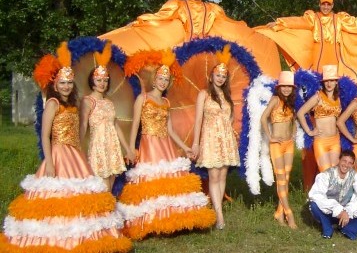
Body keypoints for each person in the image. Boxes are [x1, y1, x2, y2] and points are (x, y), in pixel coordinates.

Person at [1, 43, 132, 252]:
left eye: (69, 83)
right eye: (62, 83)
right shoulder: (52, 103)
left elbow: (78, 129)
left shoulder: (71, 104)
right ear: (56, 83)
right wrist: (50, 163)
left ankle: (82, 237)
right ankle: (58, 239)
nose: (66, 86)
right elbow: (45, 135)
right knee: (58, 196)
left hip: (74, 154)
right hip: (59, 155)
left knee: (80, 195)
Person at [117, 50, 215, 240]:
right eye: (160, 78)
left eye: (166, 79)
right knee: (153, 181)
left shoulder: (166, 101)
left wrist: (185, 147)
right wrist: (130, 148)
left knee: (170, 182)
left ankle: (171, 220)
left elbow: (169, 129)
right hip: (149, 144)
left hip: (165, 145)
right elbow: (135, 125)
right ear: (154, 80)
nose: (163, 81)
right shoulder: (142, 99)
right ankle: (151, 221)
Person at [101, 0, 281, 76]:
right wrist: (141, 21)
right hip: (184, 49)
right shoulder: (178, 5)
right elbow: (160, 16)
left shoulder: (212, 8)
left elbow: (230, 24)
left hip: (205, 52)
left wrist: (251, 32)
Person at [262, 0, 357, 72]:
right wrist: (280, 23)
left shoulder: (339, 18)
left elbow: (356, 23)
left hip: (335, 56)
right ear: (319, 4)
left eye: (328, 4)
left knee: (333, 80)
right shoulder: (313, 18)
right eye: (323, 4)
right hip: (318, 56)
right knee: (318, 80)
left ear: (332, 5)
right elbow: (298, 21)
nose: (326, 7)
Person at [191, 44, 241, 230]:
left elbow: (230, 119)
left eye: (223, 76)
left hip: (225, 138)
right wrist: (195, 143)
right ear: (211, 77)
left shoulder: (227, 96)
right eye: (217, 75)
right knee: (213, 176)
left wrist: (231, 138)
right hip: (211, 138)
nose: (220, 78)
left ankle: (216, 209)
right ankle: (219, 215)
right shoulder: (203, 94)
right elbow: (198, 121)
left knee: (222, 175)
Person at [80, 42, 136, 190]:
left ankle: (109, 210)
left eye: (105, 81)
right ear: (92, 81)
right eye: (99, 80)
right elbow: (84, 124)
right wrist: (78, 146)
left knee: (111, 182)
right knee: (101, 184)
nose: (102, 83)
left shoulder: (109, 103)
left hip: (113, 145)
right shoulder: (88, 101)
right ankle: (103, 212)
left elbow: (115, 125)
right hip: (98, 145)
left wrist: (127, 149)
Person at [261, 71, 299, 228]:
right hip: (276, 145)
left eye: (289, 86)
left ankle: (279, 212)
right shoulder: (275, 100)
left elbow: (294, 120)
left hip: (288, 144)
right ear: (279, 87)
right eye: (283, 86)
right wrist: (270, 137)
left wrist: (294, 133)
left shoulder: (291, 103)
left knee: (286, 178)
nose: (286, 89)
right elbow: (263, 118)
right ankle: (289, 214)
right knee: (281, 178)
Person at [308, 150, 357, 240]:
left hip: (347, 214)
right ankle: (327, 228)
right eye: (344, 161)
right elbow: (316, 195)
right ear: (339, 160)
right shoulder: (326, 175)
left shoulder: (356, 177)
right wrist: (338, 210)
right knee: (314, 205)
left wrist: (347, 211)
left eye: (350, 163)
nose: (346, 165)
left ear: (353, 165)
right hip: (329, 211)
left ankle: (348, 229)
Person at [297, 64, 343, 176]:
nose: (329, 83)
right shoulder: (318, 97)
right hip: (321, 141)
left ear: (336, 82)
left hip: (335, 141)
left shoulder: (338, 99)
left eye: (332, 80)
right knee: (326, 173)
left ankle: (335, 194)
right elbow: (300, 113)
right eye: (327, 81)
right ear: (323, 82)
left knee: (336, 174)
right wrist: (309, 131)